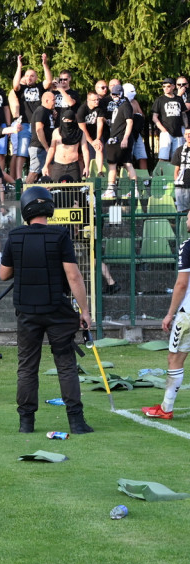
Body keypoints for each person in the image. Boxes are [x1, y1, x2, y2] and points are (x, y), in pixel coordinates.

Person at [0, 186, 93, 435]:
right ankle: (76, 421)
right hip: (57, 309)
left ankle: (26, 423)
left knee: (27, 366)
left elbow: (3, 273)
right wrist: (85, 310)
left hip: (27, 311)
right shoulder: (60, 235)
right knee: (65, 364)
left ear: (25, 210)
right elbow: (73, 276)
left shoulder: (15, 236)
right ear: (49, 207)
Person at [141, 213, 190, 419]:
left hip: (188, 314)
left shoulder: (187, 246)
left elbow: (181, 284)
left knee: (175, 358)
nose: (186, 222)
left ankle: (166, 409)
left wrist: (170, 314)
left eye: (189, 218)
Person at [11, 54, 53, 181]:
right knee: (22, 152)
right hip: (24, 124)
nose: (29, 78)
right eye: (27, 76)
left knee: (40, 151)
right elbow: (15, 85)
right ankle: (19, 178)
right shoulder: (21, 89)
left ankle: (42, 177)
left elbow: (49, 81)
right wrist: (19, 67)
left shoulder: (40, 87)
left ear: (36, 78)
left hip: (38, 125)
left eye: (32, 76)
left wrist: (45, 64)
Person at [103, 84, 137, 200]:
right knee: (127, 164)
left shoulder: (126, 105)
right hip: (118, 138)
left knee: (113, 165)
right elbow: (118, 123)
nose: (115, 96)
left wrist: (125, 138)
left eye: (117, 94)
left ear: (122, 94)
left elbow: (130, 122)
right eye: (113, 94)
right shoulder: (119, 105)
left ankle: (111, 189)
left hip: (120, 139)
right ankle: (134, 190)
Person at [46, 109, 90, 181]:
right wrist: (46, 165)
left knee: (75, 190)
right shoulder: (57, 132)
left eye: (69, 120)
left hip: (73, 166)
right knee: (55, 189)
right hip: (58, 165)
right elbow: (52, 149)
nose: (66, 123)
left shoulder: (80, 133)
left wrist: (87, 167)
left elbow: (85, 150)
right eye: (65, 120)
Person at [152, 77, 187, 162]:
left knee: (177, 157)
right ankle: (160, 174)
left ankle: (174, 175)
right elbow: (154, 117)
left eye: (168, 86)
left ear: (173, 87)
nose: (165, 88)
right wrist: (163, 129)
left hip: (178, 132)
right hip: (166, 132)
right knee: (163, 156)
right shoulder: (160, 100)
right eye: (163, 87)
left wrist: (186, 127)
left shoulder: (179, 99)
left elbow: (183, 114)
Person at [27, 90, 56, 183]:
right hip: (39, 147)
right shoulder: (41, 111)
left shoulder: (48, 112)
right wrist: (46, 146)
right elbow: (39, 129)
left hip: (46, 147)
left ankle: (49, 192)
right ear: (47, 101)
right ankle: (24, 193)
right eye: (53, 100)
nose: (55, 102)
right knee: (34, 171)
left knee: (50, 170)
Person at [174, 128, 190, 213]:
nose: (188, 136)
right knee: (183, 212)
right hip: (182, 186)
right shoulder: (179, 150)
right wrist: (177, 182)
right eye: (186, 134)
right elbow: (176, 170)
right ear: (184, 136)